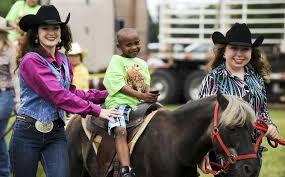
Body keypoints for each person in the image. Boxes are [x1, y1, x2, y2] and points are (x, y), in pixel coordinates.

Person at [9, 5, 120, 177]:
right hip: (27, 133)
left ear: (61, 32)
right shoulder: (31, 61)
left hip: (56, 133)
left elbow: (71, 92)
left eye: (55, 28)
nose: (51, 32)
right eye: (45, 28)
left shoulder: (63, 60)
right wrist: (97, 110)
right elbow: (58, 95)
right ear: (36, 33)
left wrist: (108, 94)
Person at [198, 23, 280, 176]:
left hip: (252, 151)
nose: (239, 54)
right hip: (226, 153)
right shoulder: (213, 78)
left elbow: (262, 111)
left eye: (245, 49)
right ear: (224, 51)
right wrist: (202, 153)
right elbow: (201, 120)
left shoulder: (256, 78)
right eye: (234, 48)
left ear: (251, 52)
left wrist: (270, 126)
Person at [103, 28, 159, 177]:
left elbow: (145, 86)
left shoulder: (142, 63)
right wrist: (142, 95)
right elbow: (120, 86)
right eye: (128, 45)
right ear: (119, 46)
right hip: (119, 103)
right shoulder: (116, 60)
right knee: (120, 130)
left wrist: (150, 95)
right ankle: (125, 169)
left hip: (139, 104)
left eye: (136, 43)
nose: (134, 47)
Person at [0, 16, 19, 177]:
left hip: (5, 94)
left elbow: (14, 76)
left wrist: (18, 100)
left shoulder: (10, 48)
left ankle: (5, 171)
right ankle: (5, 172)